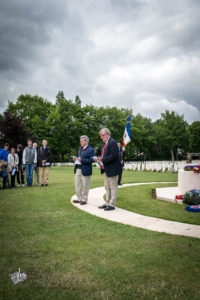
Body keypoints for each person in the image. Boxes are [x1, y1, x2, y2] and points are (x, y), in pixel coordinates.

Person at [96, 128, 120, 211]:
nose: (101, 138)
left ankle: (112, 204)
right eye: (101, 136)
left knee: (113, 187)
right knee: (107, 187)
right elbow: (104, 155)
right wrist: (100, 159)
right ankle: (107, 203)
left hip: (113, 168)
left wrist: (103, 159)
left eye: (102, 136)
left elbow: (114, 156)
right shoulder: (104, 144)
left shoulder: (113, 142)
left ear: (107, 135)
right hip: (106, 168)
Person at [72, 135, 94, 205]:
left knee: (85, 185)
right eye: (80, 141)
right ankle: (79, 198)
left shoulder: (91, 150)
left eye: (81, 141)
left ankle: (84, 199)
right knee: (77, 184)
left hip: (86, 169)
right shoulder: (80, 148)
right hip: (78, 168)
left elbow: (91, 160)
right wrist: (75, 159)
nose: (80, 142)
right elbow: (79, 157)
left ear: (86, 141)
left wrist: (82, 160)